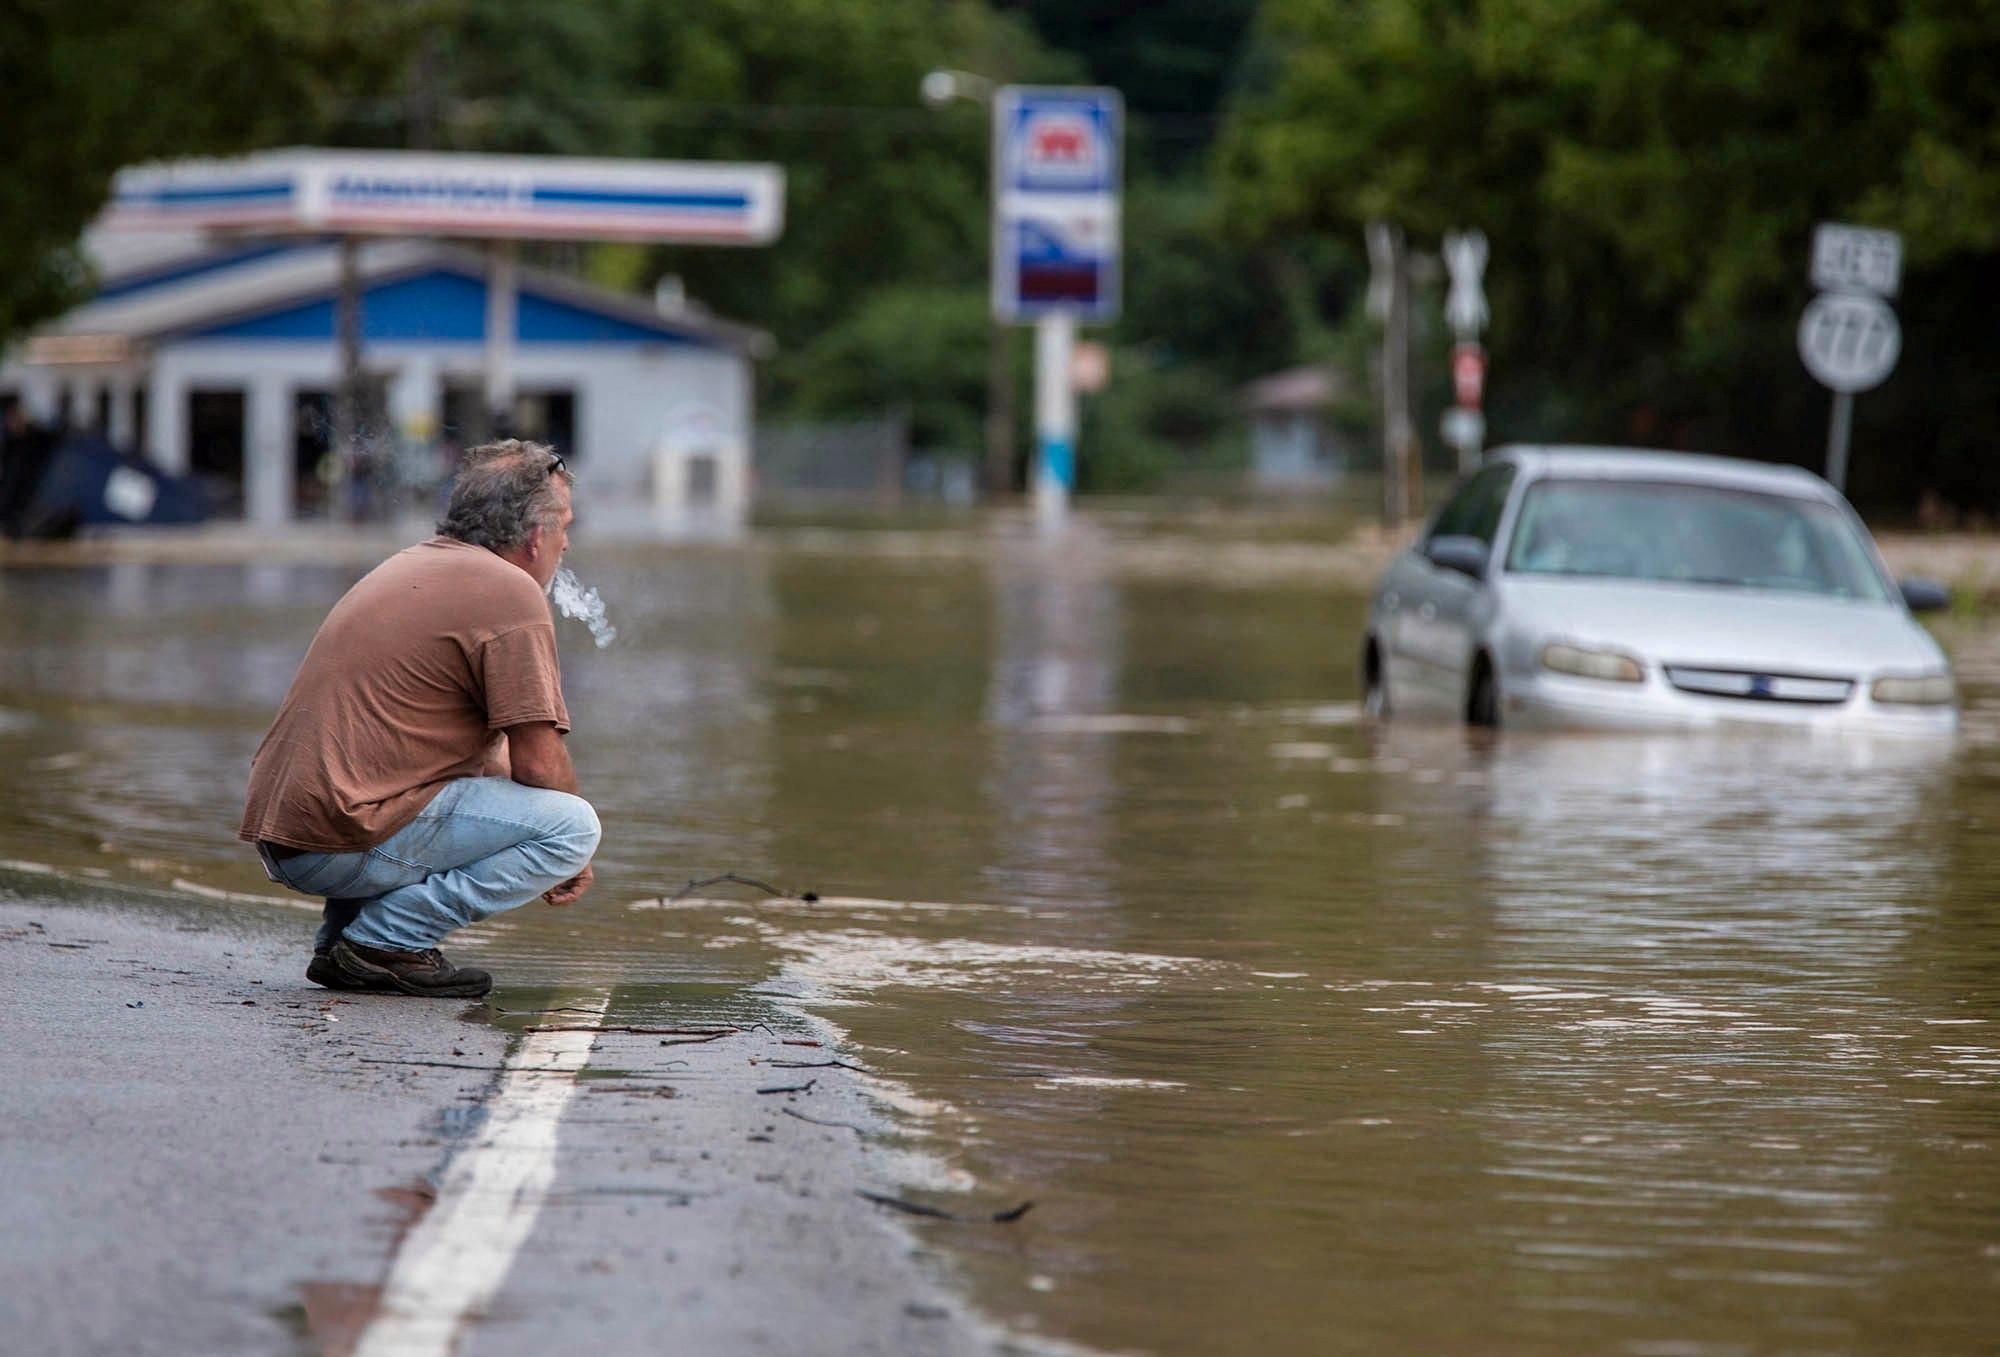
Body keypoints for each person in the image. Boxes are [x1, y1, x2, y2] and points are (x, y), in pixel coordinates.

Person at [240, 439, 599, 997]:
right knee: (573, 826)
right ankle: (386, 943)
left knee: (460, 781)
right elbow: (539, 761)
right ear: (534, 537)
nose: (567, 543)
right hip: (335, 837)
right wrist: (574, 857)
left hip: (293, 833)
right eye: (564, 527)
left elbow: (497, 757)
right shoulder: (509, 591)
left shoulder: (418, 563)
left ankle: (343, 946)